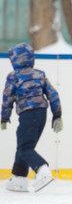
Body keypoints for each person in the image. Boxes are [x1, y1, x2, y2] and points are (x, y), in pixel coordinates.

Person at [1, 42, 62, 192]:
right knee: (24, 145)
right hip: (42, 114)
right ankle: (19, 178)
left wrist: (4, 117)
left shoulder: (14, 76)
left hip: (27, 114)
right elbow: (53, 95)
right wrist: (57, 115)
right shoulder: (39, 74)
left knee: (25, 147)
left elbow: (7, 97)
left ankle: (43, 170)